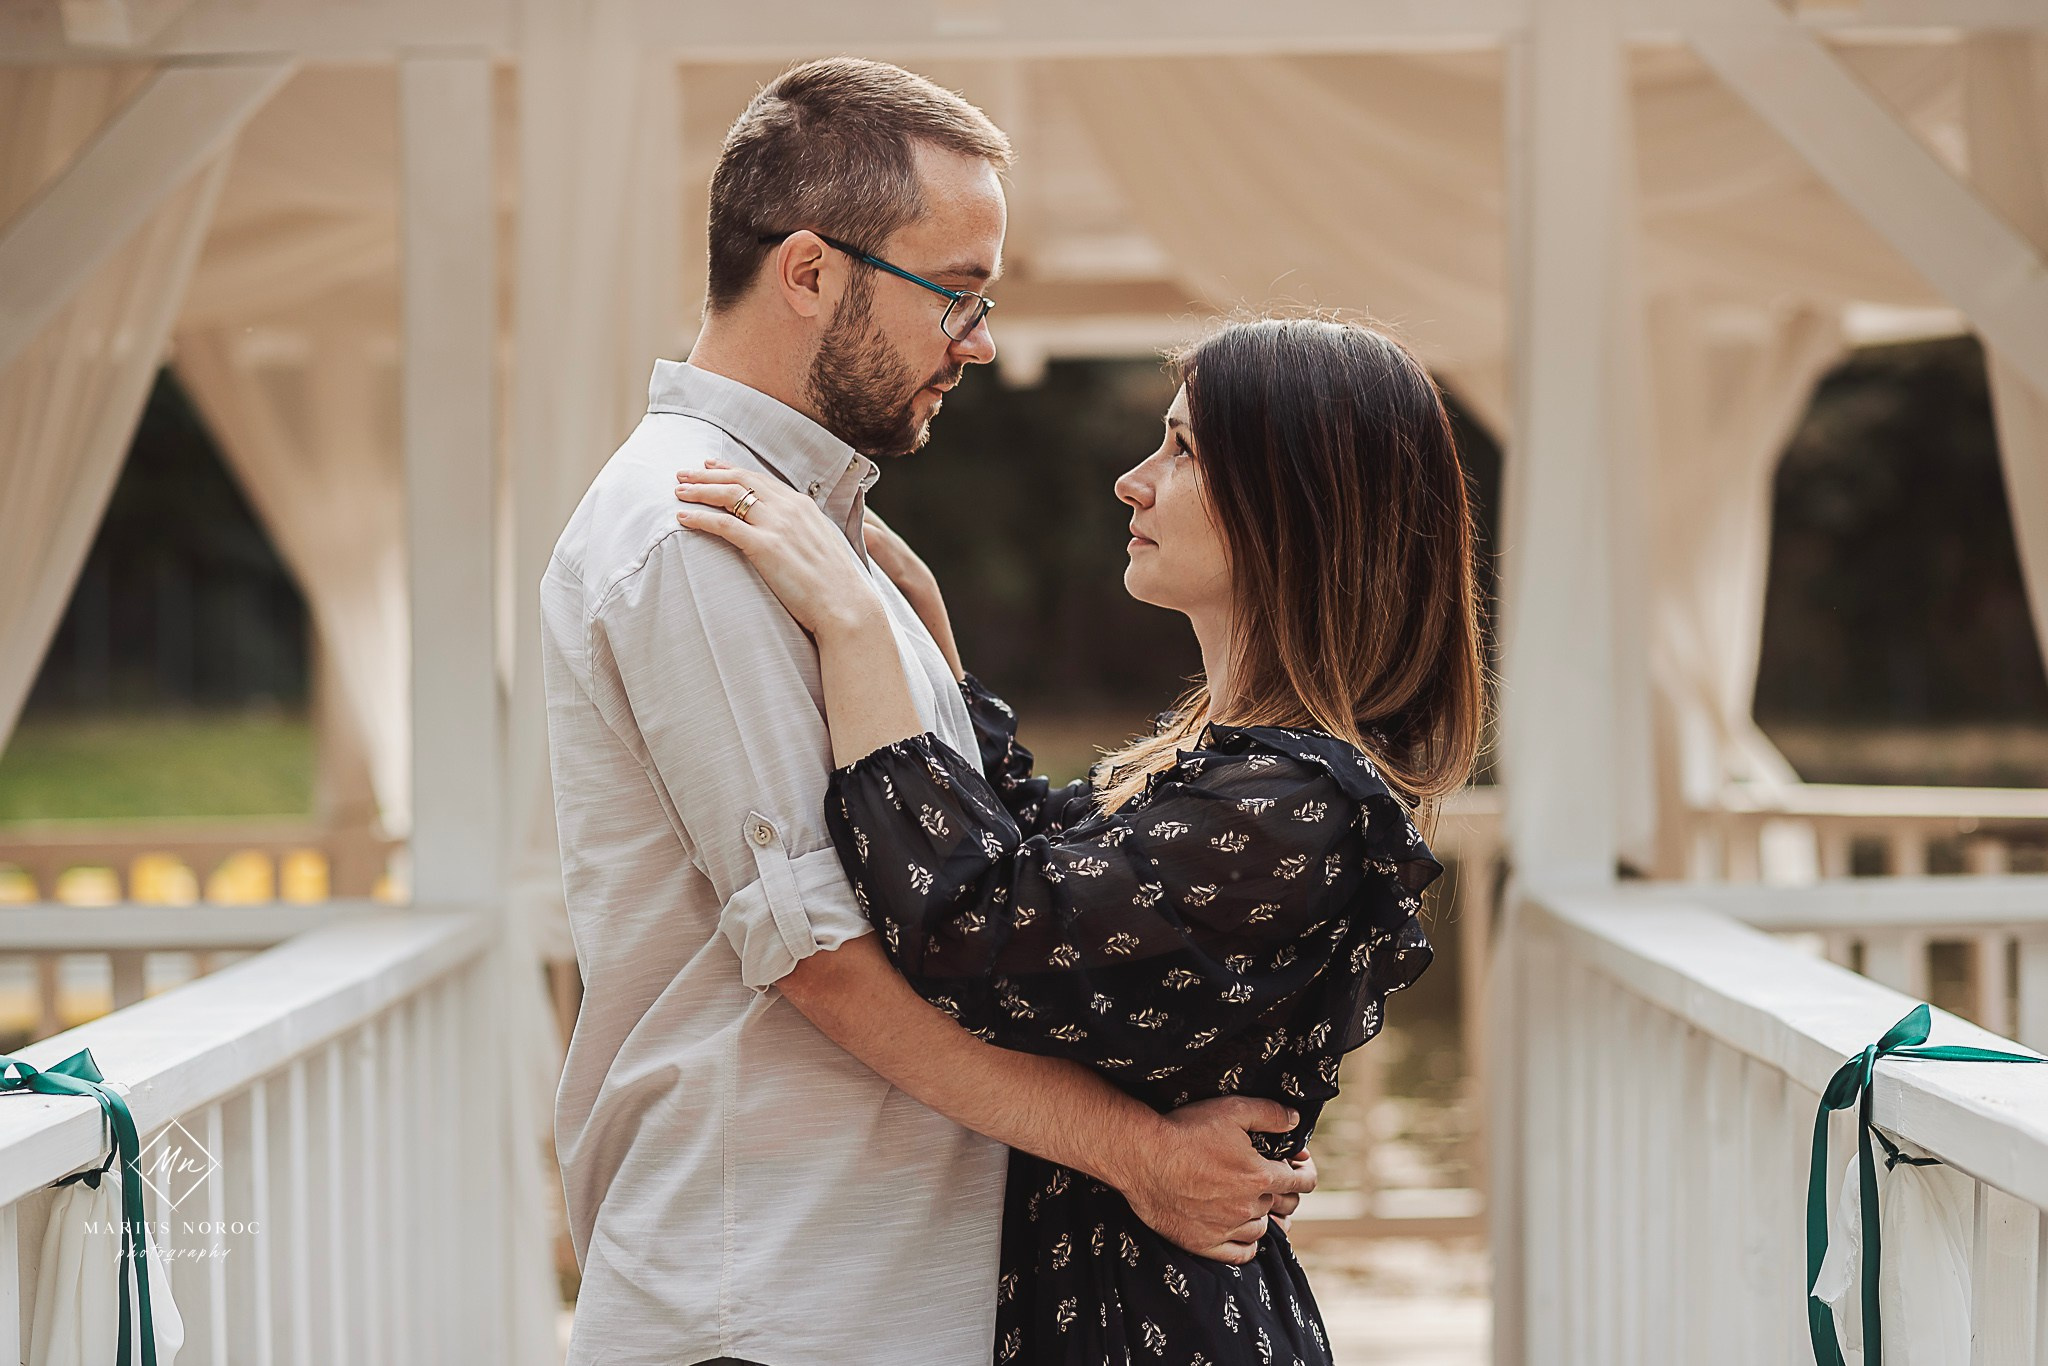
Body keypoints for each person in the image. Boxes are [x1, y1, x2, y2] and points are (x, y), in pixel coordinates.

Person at [540, 59, 1314, 1366]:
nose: (983, 341)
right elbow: (823, 957)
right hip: (771, 1297)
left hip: (846, 1291)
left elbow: (978, 877)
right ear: (808, 272)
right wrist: (1144, 1155)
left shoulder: (818, 537)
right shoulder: (694, 531)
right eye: (954, 293)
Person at [673, 315, 1487, 1362]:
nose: (1132, 482)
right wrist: (917, 616)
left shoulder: (1289, 800)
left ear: (1296, 505)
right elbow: (1034, 850)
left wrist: (855, 628)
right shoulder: (1234, 767)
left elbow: (977, 926)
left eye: (1185, 449)